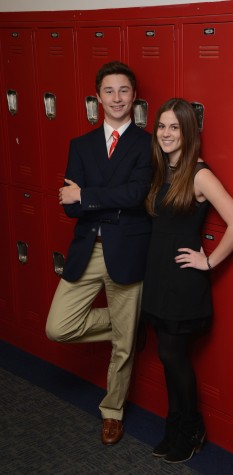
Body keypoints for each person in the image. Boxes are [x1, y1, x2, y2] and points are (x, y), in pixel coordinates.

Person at [46, 61, 152, 446]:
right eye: (109, 91)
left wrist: (87, 196)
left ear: (134, 97)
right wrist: (98, 202)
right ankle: (131, 324)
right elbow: (68, 206)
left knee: (122, 349)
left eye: (124, 91)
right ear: (97, 98)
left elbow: (136, 195)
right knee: (58, 326)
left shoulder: (146, 143)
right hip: (89, 249)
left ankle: (112, 411)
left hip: (128, 251)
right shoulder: (82, 145)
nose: (117, 98)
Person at [141, 98, 233, 464]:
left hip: (183, 283)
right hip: (158, 278)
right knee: (167, 357)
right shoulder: (162, 170)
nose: (166, 134)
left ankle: (191, 429)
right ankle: (175, 428)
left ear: (188, 133)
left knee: (173, 355)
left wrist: (209, 261)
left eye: (174, 127)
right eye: (161, 127)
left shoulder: (199, 173)